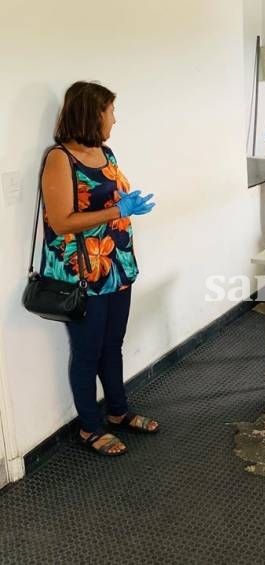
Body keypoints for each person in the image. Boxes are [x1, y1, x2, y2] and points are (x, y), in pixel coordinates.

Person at [41, 81, 159, 456]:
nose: (115, 120)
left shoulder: (105, 153)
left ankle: (118, 413)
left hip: (117, 264)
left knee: (113, 345)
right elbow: (60, 221)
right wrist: (115, 211)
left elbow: (111, 197)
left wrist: (126, 202)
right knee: (87, 351)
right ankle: (89, 428)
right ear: (92, 114)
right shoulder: (60, 158)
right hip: (83, 272)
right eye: (110, 111)